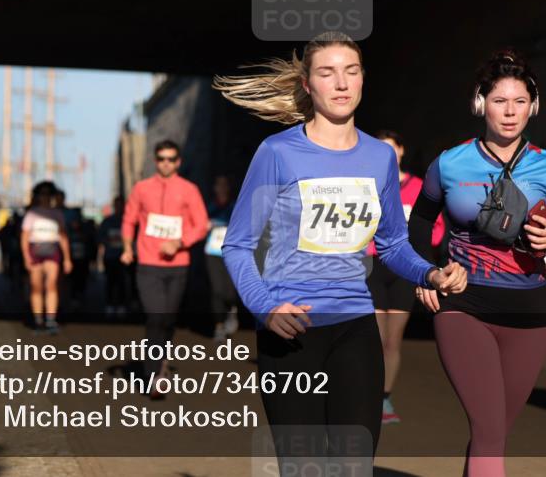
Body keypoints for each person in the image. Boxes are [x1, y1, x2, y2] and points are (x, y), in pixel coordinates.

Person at [213, 32, 467, 472]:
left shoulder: (378, 158)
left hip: (354, 326)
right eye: (328, 73)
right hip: (292, 330)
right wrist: (266, 307)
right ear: (309, 85)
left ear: (363, 80)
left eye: (351, 71)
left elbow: (391, 244)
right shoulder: (277, 153)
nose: (342, 83)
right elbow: (237, 245)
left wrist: (430, 274)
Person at [410, 50, 546, 477]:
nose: (509, 112)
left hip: (529, 314)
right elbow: (421, 219)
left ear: (533, 106)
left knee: (490, 434)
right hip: (463, 304)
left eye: (519, 101)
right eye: (499, 101)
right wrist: (423, 270)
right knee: (491, 430)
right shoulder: (450, 163)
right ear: (480, 104)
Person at [365, 129, 445, 425]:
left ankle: (384, 398)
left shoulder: (419, 187)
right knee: (372, 337)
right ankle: (366, 395)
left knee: (392, 341)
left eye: (390, 149)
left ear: (401, 151)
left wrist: (414, 245)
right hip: (370, 265)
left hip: (402, 268)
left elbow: (436, 230)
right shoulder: (364, 185)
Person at [121, 140, 209, 392]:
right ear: (155, 160)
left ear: (178, 162)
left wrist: (180, 242)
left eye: (171, 159)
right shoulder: (141, 189)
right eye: (161, 158)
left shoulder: (189, 190)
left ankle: (161, 358)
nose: (166, 163)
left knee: (168, 320)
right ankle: (154, 375)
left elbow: (200, 225)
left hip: (178, 265)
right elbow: (129, 220)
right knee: (156, 316)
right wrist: (127, 248)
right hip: (148, 263)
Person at [21, 181, 72, 333]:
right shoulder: (31, 214)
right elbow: (25, 237)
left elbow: (63, 237)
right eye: (42, 194)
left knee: (51, 285)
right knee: (36, 287)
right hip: (35, 250)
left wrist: (68, 258)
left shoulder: (57, 214)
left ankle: (50, 319)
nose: (45, 197)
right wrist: (26, 257)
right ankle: (38, 319)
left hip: (52, 250)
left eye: (48, 194)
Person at [205, 174, 239, 342]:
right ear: (214, 188)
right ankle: (219, 326)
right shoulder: (209, 207)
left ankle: (232, 309)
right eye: (219, 184)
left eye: (225, 184)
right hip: (213, 252)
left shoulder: (236, 206)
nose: (222, 188)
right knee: (217, 290)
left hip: (231, 253)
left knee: (230, 291)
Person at [98, 196, 133, 318]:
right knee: (110, 281)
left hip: (123, 256)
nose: (119, 207)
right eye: (117, 204)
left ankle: (122, 305)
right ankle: (109, 304)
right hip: (110, 256)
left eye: (121, 204)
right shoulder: (107, 221)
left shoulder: (128, 220)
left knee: (122, 281)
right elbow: (100, 237)